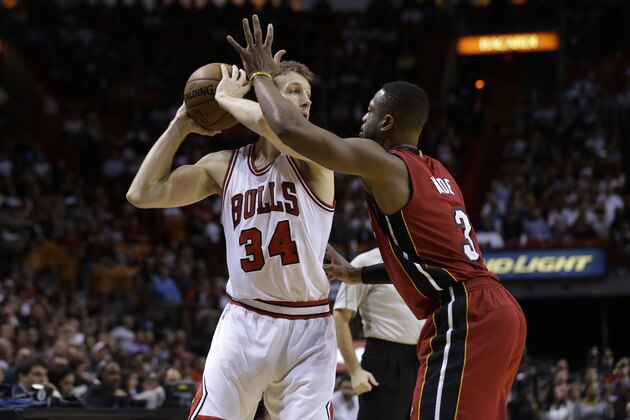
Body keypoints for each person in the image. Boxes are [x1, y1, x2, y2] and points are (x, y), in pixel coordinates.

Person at [227, 15, 527, 420]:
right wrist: (357, 275)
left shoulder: (383, 161)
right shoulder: (440, 173)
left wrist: (260, 74)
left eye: (369, 112)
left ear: (386, 123)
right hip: (496, 308)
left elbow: (291, 131)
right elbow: (433, 262)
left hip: (465, 313)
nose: (362, 120)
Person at [127, 59, 337, 419]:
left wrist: (226, 99)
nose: (306, 102)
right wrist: (180, 126)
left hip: (308, 327)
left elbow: (275, 128)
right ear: (266, 95)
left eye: (309, 95)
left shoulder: (314, 157)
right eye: (294, 91)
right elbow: (143, 193)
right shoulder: (223, 166)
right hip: (244, 319)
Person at [331, 247, 424, 420]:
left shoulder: (424, 261)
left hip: (423, 360)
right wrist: (354, 370)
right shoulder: (364, 262)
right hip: (385, 360)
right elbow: (340, 316)